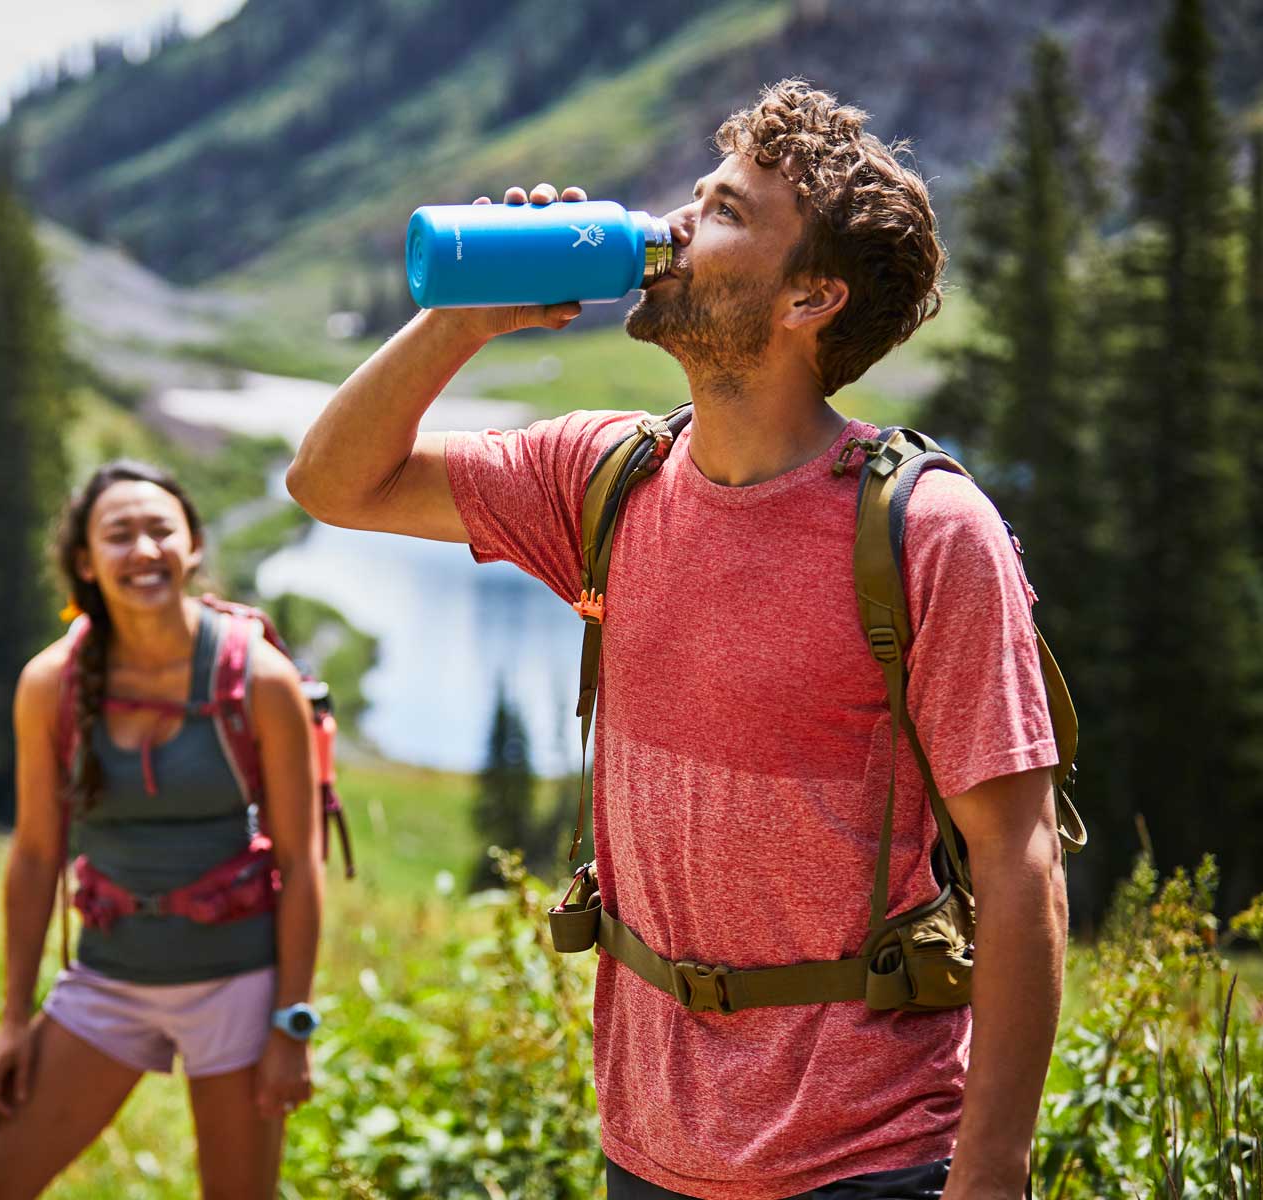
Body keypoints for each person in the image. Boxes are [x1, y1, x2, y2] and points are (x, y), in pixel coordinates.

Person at [288, 80, 1067, 1200]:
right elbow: (331, 482)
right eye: (698, 195)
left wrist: (992, 1170)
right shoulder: (606, 477)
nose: (676, 223)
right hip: (649, 1145)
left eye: (727, 212)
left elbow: (1020, 859)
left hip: (869, 1153)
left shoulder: (926, 530)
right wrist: (463, 318)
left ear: (811, 298)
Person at [0, 461, 324, 1200]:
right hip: (107, 981)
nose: (144, 550)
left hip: (238, 987)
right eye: (119, 535)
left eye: (161, 530)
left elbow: (300, 864)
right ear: (86, 562)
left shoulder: (261, 679)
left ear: (193, 546)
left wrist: (291, 1025)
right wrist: (13, 1020)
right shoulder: (51, 684)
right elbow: (35, 856)